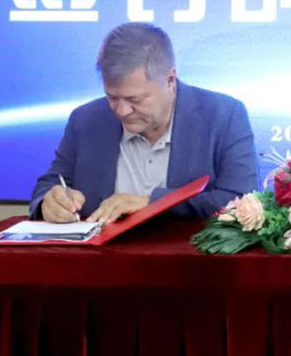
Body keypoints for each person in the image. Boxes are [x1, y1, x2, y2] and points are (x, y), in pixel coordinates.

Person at [30, 22, 258, 223]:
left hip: (187, 256)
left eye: (135, 100)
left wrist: (152, 203)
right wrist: (50, 202)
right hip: (100, 257)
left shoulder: (224, 116)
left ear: (170, 80)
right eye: (112, 97)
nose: (121, 111)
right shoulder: (86, 119)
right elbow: (50, 183)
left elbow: (240, 198)